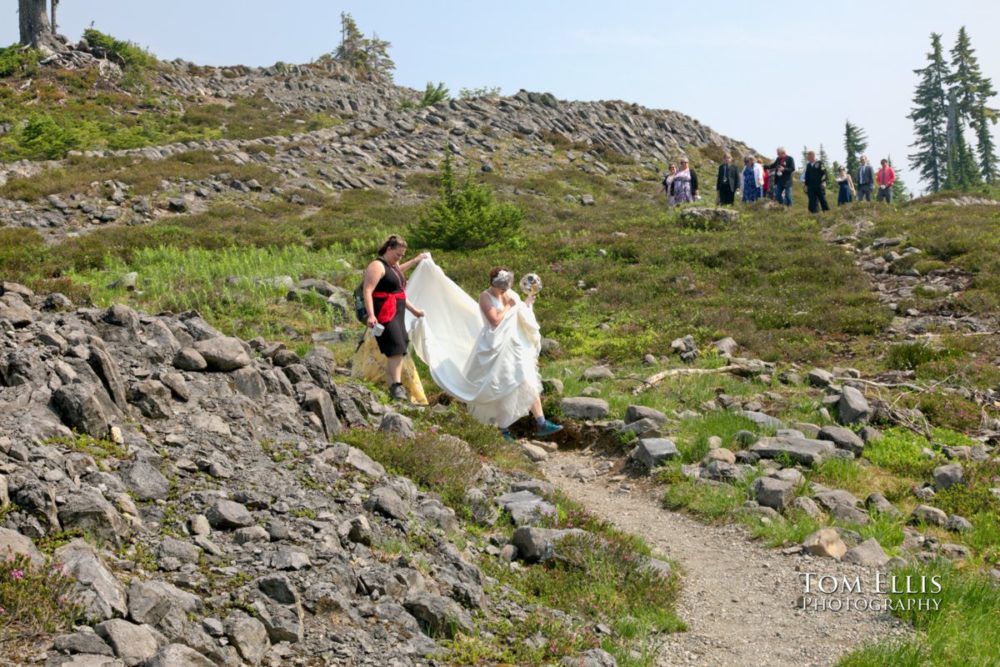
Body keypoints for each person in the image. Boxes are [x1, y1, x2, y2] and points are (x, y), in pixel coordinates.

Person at [404, 260, 563, 441]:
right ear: (495, 283)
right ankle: (502, 429)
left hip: (513, 346)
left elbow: (520, 313)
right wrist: (509, 306)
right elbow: (495, 321)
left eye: (507, 285)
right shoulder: (485, 296)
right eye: (503, 285)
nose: (505, 289)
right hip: (494, 346)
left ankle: (541, 421)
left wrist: (527, 303)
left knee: (525, 377)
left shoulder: (510, 294)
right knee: (499, 385)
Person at [361, 234, 427, 400]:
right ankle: (396, 387)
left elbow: (399, 292)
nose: (399, 258)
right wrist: (371, 315)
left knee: (400, 346)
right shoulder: (377, 265)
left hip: (397, 311)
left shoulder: (393, 265)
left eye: (402, 256)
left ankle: (393, 385)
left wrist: (414, 311)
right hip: (384, 312)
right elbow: (368, 290)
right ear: (388, 249)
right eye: (397, 254)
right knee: (396, 347)